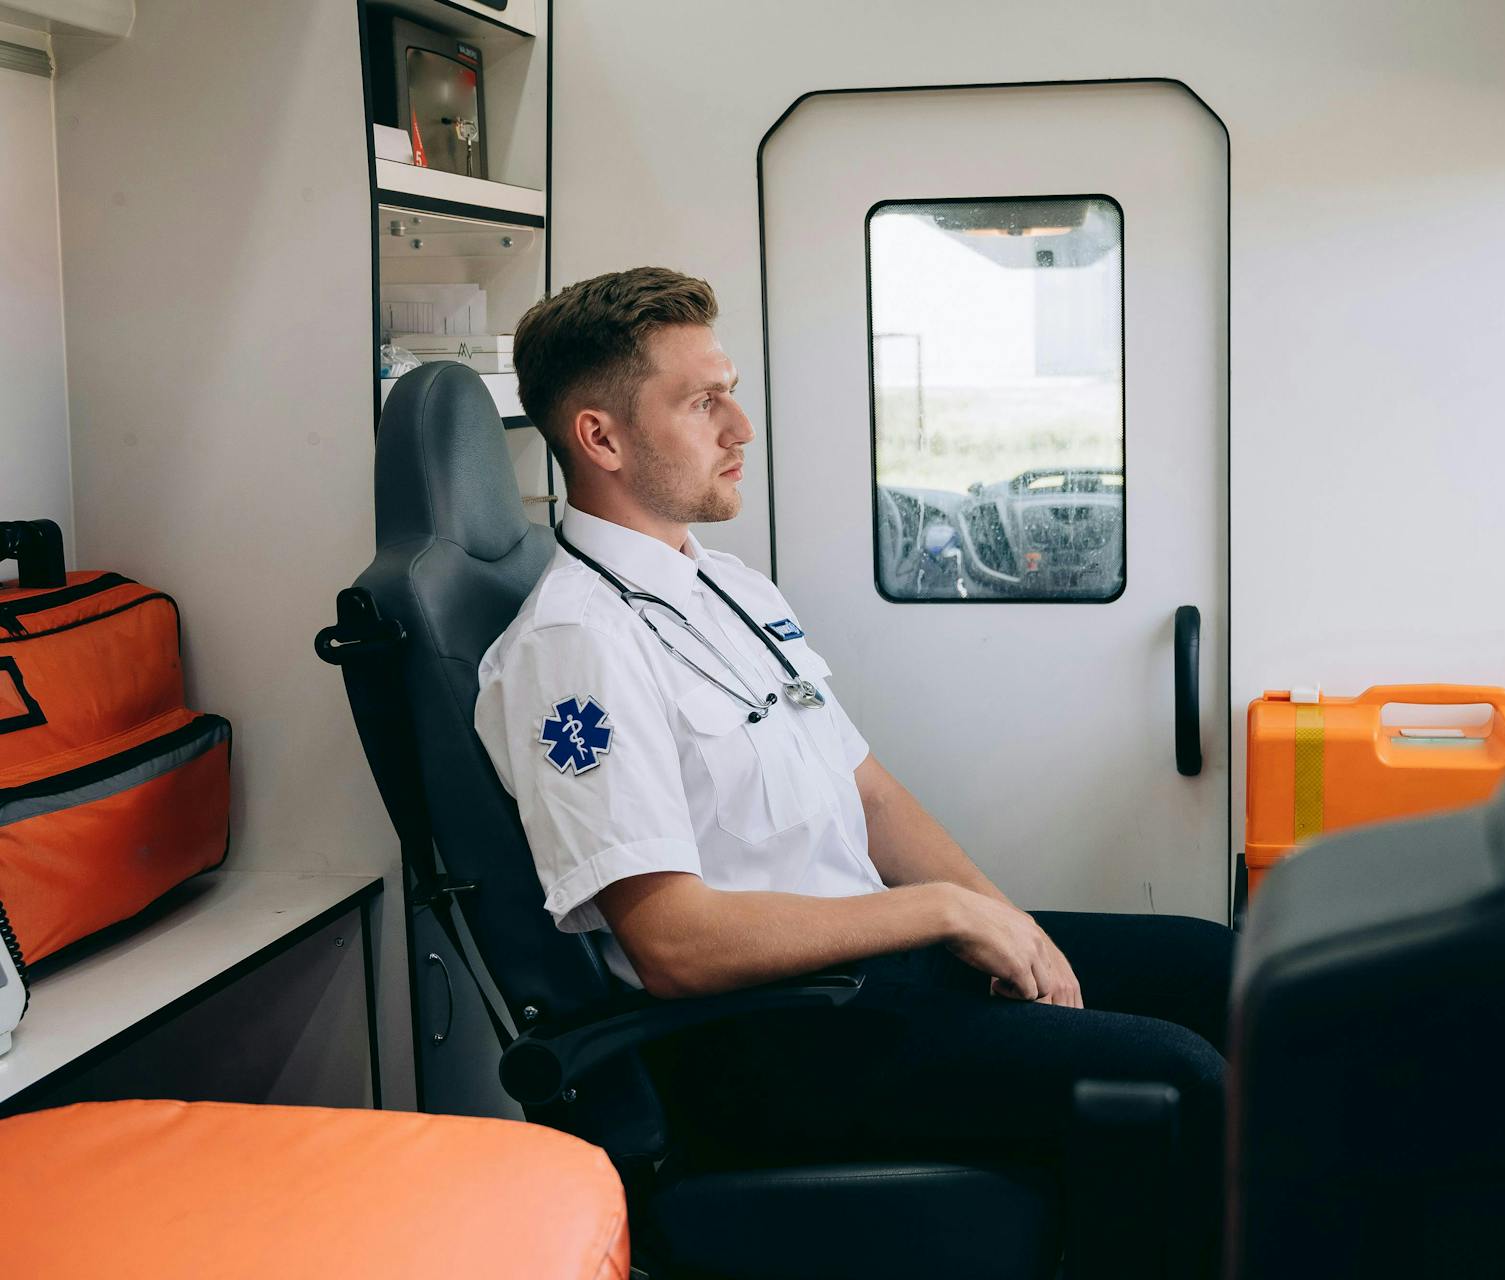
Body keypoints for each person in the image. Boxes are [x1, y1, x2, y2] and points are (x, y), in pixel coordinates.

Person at [474, 266, 1232, 1273]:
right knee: (1175, 1077)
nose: (740, 425)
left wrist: (1010, 926)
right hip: (765, 1037)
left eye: (729, 389)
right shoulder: (575, 644)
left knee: (1215, 966)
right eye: (703, 403)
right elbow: (672, 942)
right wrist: (945, 915)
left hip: (865, 976)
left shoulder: (725, 587)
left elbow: (869, 792)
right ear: (601, 438)